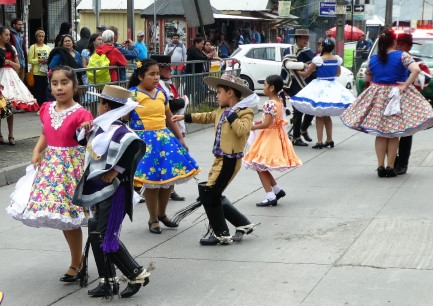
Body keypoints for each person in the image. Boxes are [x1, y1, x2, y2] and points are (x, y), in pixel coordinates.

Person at [7, 66, 94, 282]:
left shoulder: (82, 113)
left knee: (71, 219)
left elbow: (89, 142)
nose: (59, 88)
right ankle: (78, 261)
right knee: (63, 219)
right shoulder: (46, 108)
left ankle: (77, 263)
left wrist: (87, 130)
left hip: (71, 169)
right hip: (51, 168)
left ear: (74, 86)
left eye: (64, 83)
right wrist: (37, 150)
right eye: (55, 84)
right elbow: (47, 131)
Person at [73, 85, 151, 298]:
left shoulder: (121, 130)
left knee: (103, 234)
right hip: (99, 188)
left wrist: (116, 171)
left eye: (100, 102)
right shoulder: (101, 126)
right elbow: (81, 141)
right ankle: (107, 280)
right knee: (95, 229)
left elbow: (136, 147)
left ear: (105, 105)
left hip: (114, 190)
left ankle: (136, 273)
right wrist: (84, 128)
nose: (98, 106)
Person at [172, 74, 259, 245]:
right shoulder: (221, 110)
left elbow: (242, 130)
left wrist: (231, 114)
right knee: (210, 193)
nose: (216, 95)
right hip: (219, 159)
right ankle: (242, 223)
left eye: (219, 92)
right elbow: (207, 116)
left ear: (230, 93)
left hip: (230, 160)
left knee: (210, 194)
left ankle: (221, 233)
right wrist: (186, 117)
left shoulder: (245, 112)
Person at [341, 29, 433, 177]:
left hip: (378, 97)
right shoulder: (402, 56)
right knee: (393, 134)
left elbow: (368, 79)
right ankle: (391, 167)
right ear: (394, 42)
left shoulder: (374, 59)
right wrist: (405, 84)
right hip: (397, 96)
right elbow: (415, 70)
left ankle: (380, 166)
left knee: (381, 133)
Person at [128, 59, 201, 234]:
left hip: (165, 140)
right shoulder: (131, 95)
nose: (155, 78)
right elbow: (121, 118)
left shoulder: (161, 93)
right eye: (151, 74)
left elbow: (169, 118)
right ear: (140, 76)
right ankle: (153, 219)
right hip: (144, 142)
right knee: (152, 182)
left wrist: (180, 138)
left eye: (157, 74)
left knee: (168, 181)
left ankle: (162, 213)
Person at [243, 75, 302, 206]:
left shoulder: (269, 103)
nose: (263, 87)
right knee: (261, 165)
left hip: (269, 137)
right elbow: (272, 120)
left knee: (259, 165)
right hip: (276, 134)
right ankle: (276, 190)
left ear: (272, 88)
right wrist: (261, 122)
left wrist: (252, 126)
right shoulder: (279, 101)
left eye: (264, 85)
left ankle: (270, 195)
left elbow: (266, 124)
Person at [291, 39, 355, 148]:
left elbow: (306, 74)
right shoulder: (337, 59)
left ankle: (319, 142)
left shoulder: (318, 59)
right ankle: (329, 140)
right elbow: (338, 74)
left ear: (323, 47)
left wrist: (297, 71)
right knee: (327, 116)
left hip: (320, 87)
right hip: (332, 85)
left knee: (319, 115)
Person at [151, 54, 188, 202]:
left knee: (169, 161)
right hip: (155, 130)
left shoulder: (167, 83)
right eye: (167, 69)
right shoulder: (157, 86)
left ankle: (170, 189)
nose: (170, 71)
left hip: (169, 126)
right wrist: (182, 101)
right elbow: (171, 104)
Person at [395, 33, 432, 175]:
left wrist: (410, 84)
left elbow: (426, 80)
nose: (398, 47)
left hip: (407, 101)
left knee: (406, 132)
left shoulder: (416, 62)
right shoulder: (390, 59)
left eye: (401, 44)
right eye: (397, 44)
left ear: (408, 46)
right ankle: (392, 162)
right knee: (388, 133)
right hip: (390, 100)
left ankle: (402, 163)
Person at [0, 26, 38, 146]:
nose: (8, 37)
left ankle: (11, 134)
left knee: (9, 108)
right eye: (6, 35)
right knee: (1, 106)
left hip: (10, 77)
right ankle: (0, 134)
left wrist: (8, 62)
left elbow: (18, 66)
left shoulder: (12, 49)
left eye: (8, 35)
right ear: (0, 36)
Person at [281, 28, 316, 146]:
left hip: (304, 84)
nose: (306, 40)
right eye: (304, 38)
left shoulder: (307, 51)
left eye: (307, 38)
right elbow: (288, 64)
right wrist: (304, 65)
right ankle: (296, 137)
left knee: (312, 107)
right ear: (297, 39)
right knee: (298, 110)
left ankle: (303, 129)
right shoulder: (289, 50)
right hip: (292, 83)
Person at [185, 36, 213, 104]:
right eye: (201, 44)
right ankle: (193, 104)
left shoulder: (199, 50)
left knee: (188, 91)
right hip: (191, 74)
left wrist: (210, 56)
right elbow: (200, 58)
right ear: (196, 43)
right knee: (200, 90)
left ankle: (192, 105)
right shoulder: (192, 49)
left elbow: (205, 58)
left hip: (197, 74)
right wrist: (207, 57)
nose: (202, 46)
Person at [28, 29, 51, 109]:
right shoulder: (33, 47)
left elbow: (50, 58)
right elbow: (29, 60)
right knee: (38, 90)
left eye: (42, 36)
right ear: (36, 37)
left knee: (45, 90)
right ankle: (38, 106)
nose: (41, 38)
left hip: (45, 72)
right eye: (39, 36)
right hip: (36, 72)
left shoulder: (47, 47)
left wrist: (47, 61)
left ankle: (44, 106)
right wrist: (38, 60)